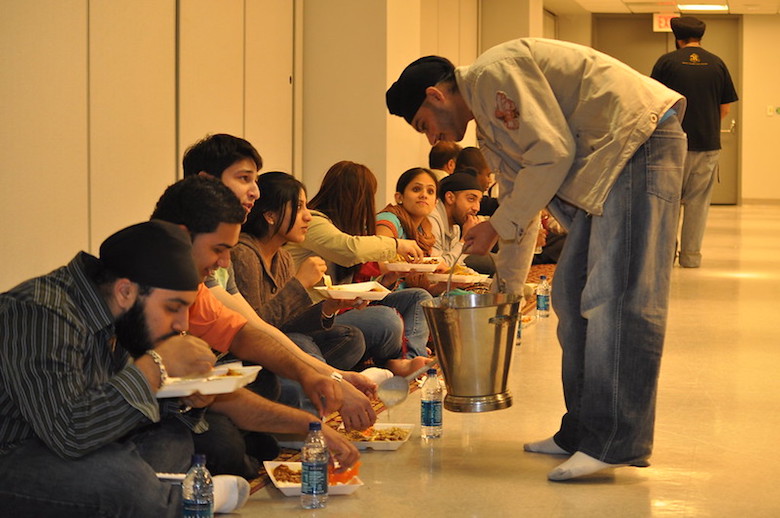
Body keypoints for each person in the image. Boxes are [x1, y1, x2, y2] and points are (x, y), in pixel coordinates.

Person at [386, 38, 687, 481]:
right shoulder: (490, 125)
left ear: (436, 95)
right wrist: (503, 292)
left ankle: (614, 441)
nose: (434, 138)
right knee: (570, 295)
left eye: (424, 124)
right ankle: (581, 430)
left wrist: (495, 226)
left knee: (617, 298)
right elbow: (518, 210)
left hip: (638, 146)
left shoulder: (492, 75)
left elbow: (552, 153)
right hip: (610, 166)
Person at [0, 221, 252, 516]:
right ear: (125, 291)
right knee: (123, 480)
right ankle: (182, 501)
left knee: (188, 436)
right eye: (173, 308)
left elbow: (106, 405)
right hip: (18, 451)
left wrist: (184, 401)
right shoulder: (41, 313)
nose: (183, 324)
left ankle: (159, 495)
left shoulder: (116, 312)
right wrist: (155, 366)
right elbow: (69, 432)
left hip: (79, 444)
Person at [151, 176, 378, 436]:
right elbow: (262, 323)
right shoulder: (242, 254)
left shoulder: (198, 282)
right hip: (140, 413)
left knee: (350, 336)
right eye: (244, 177)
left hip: (200, 386)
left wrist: (327, 376)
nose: (225, 262)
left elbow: (245, 333)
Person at [232, 171, 418, 373]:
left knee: (352, 338)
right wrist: (300, 283)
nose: (307, 215)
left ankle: (325, 376)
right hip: (253, 352)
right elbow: (255, 328)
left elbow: (290, 321)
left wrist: (329, 307)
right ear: (270, 216)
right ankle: (327, 380)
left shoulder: (281, 257)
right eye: (298, 207)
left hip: (290, 335)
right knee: (302, 342)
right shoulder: (244, 254)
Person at [287, 160, 434, 361]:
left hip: (340, 308)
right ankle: (398, 362)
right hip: (316, 315)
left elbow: (352, 279)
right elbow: (350, 250)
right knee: (386, 319)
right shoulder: (314, 222)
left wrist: (386, 280)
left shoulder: (342, 226)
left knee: (418, 297)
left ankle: (410, 359)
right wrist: (397, 244)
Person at [651, 16, 739, 268]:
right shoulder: (717, 64)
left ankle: (666, 256)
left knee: (668, 203)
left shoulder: (666, 62)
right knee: (698, 204)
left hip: (671, 145)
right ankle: (691, 258)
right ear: (701, 37)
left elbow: (656, 104)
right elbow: (725, 109)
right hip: (708, 145)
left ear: (677, 39)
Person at [376, 167, 454, 295]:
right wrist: (414, 265)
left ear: (435, 202)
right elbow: (377, 264)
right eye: (416, 189)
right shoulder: (389, 219)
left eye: (430, 191)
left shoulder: (425, 230)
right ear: (399, 197)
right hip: (379, 295)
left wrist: (447, 285)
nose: (424, 195)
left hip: (411, 297)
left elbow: (425, 290)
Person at [427, 172, 483, 268]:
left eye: (479, 201)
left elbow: (458, 265)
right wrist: (465, 240)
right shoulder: (431, 219)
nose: (477, 208)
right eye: (471, 199)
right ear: (450, 198)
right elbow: (437, 267)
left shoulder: (456, 226)